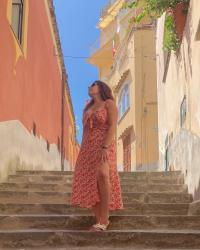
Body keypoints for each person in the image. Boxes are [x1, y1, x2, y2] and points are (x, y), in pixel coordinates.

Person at [70, 80, 124, 231]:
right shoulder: (88, 107)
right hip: (87, 148)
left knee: (103, 175)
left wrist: (105, 146)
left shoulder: (109, 104)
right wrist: (83, 152)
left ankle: (105, 219)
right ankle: (98, 220)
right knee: (89, 180)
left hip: (103, 145)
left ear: (100, 88)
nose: (89, 87)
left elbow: (113, 125)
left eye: (92, 85)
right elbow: (86, 131)